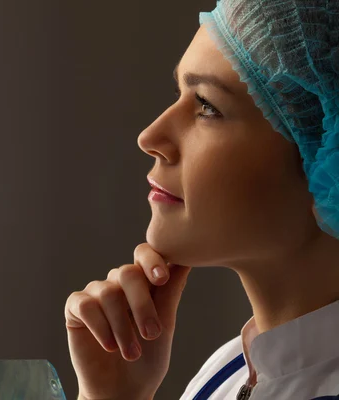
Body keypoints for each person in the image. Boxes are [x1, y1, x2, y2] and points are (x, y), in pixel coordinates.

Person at [64, 0, 339, 399]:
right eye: (178, 94)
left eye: (207, 106)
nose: (149, 137)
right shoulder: (226, 372)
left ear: (327, 154)